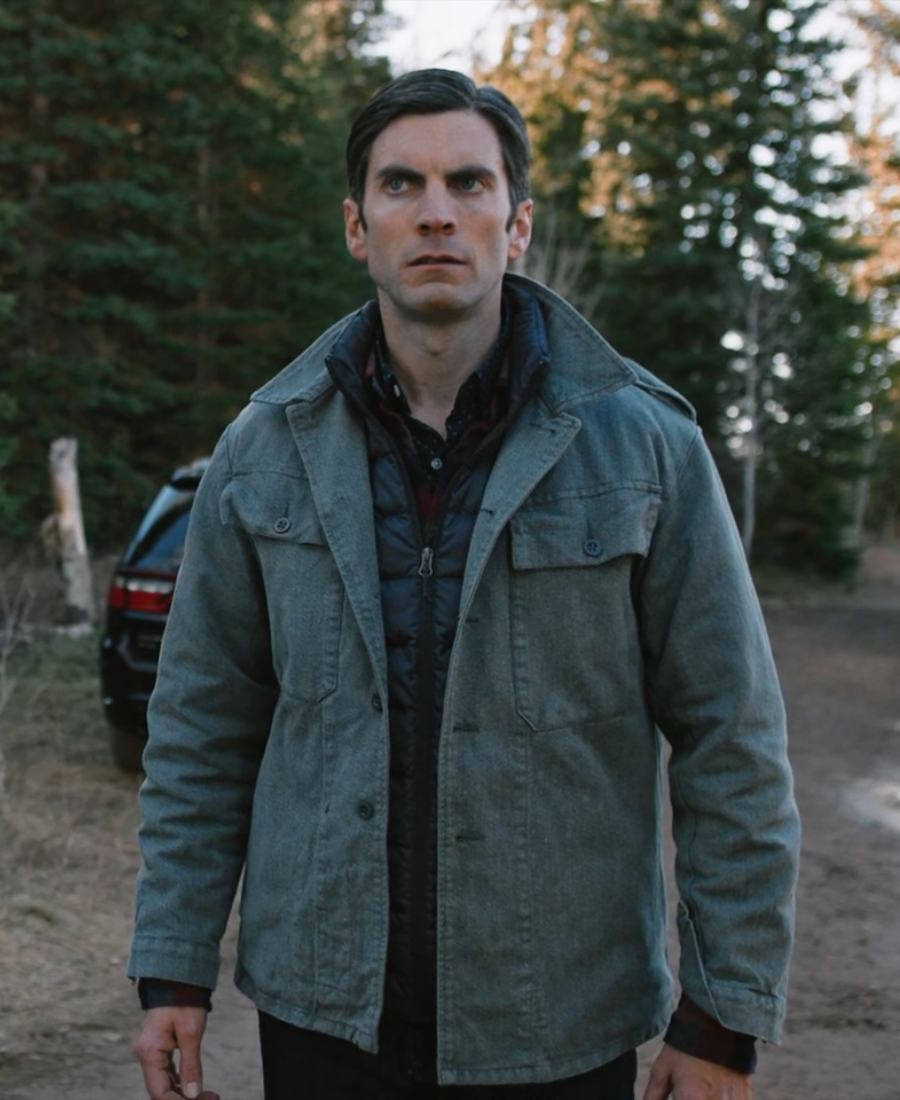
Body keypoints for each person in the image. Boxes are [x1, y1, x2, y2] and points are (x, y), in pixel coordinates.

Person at [129, 68, 800, 1100]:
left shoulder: (645, 447)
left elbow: (733, 735)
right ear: (357, 226)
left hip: (558, 1020)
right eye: (401, 184)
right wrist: (173, 965)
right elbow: (200, 727)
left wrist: (721, 1017)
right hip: (322, 1018)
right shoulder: (262, 450)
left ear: (517, 223)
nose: (436, 212)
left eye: (469, 183)